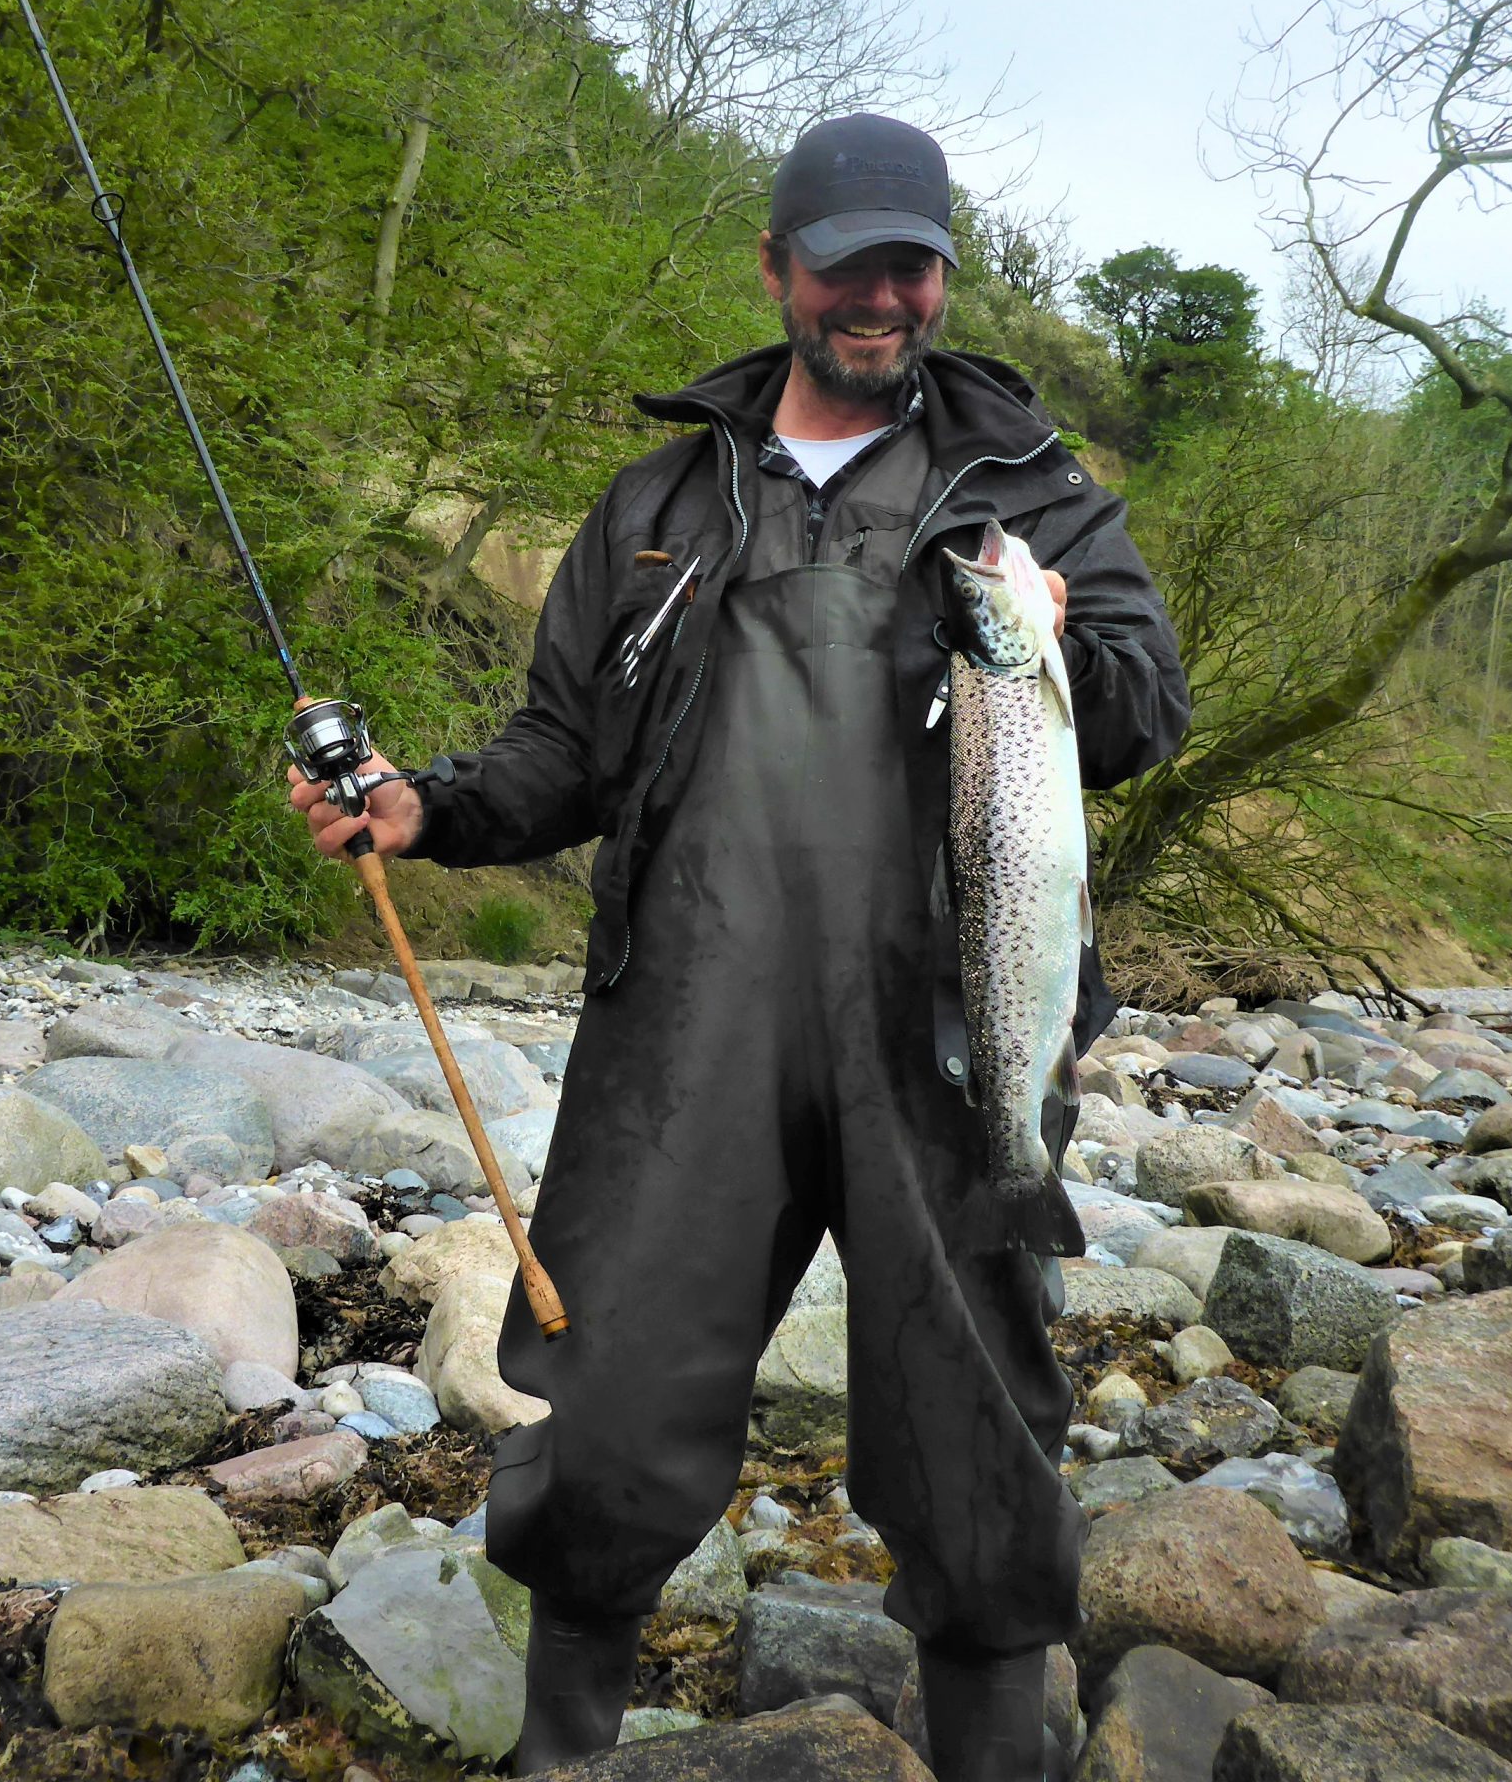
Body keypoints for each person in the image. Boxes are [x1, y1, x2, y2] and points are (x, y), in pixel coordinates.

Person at [290, 113, 1190, 1781]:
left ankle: (1001, 1755)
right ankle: (569, 1751)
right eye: (846, 264)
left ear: (942, 278)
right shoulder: (660, 502)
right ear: (777, 266)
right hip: (687, 1029)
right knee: (615, 1408)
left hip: (952, 1033)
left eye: (911, 265)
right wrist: (429, 813)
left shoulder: (1034, 500)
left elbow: (1145, 715)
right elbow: (564, 753)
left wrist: (1065, 648)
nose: (882, 298)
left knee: (972, 1430)